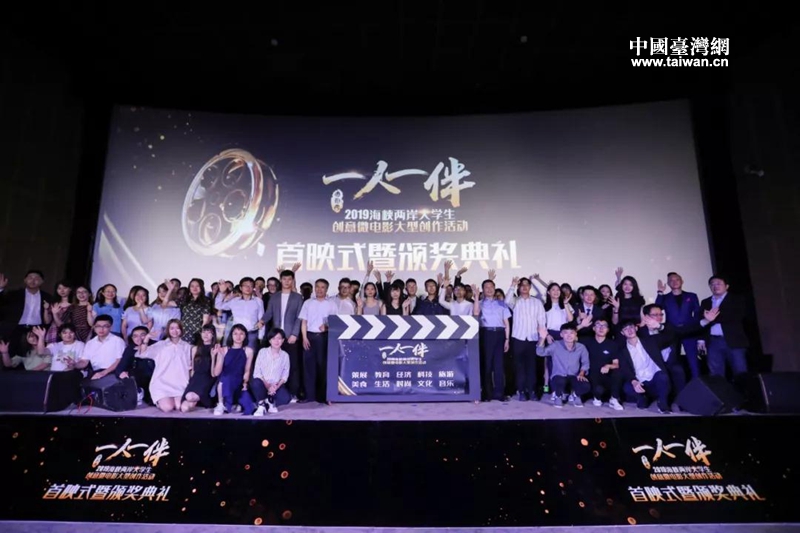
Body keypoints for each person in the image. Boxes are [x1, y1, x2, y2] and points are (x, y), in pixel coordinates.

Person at [260, 270, 304, 401]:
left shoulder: (298, 297)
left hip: (291, 337)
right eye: (284, 279)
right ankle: (276, 392)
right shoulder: (274, 297)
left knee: (293, 366)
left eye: (289, 279)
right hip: (276, 338)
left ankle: (293, 393)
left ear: (293, 280)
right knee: (276, 366)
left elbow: (299, 318)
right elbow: (269, 313)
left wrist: (295, 334)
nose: (287, 282)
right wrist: (261, 321)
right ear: (280, 280)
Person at [698, 275, 749, 380]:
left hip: (733, 341)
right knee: (715, 374)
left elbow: (736, 316)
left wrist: (710, 319)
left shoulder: (736, 299)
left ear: (727, 286)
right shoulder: (705, 302)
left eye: (718, 283)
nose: (715, 286)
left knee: (740, 372)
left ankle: (743, 391)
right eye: (712, 284)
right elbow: (702, 322)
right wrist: (701, 339)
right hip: (713, 341)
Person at [505, 277, 548, 401]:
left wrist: (542, 338)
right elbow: (507, 301)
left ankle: (532, 390)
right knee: (519, 367)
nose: (524, 287)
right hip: (518, 338)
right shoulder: (515, 301)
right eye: (522, 285)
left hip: (533, 338)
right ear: (519, 288)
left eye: (527, 285)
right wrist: (512, 285)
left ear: (530, 287)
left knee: (532, 366)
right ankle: (521, 391)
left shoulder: (537, 302)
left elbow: (542, 320)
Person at [137, 319, 193, 413]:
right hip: (162, 383)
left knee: (179, 406)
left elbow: (190, 366)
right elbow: (143, 353)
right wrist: (147, 338)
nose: (175, 331)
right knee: (168, 408)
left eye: (177, 328)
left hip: (180, 383)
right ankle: (159, 402)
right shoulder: (161, 345)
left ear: (181, 330)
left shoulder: (187, 346)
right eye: (172, 328)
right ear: (168, 330)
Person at [618, 319, 672, 414]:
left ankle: (663, 403)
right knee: (627, 387)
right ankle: (642, 398)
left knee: (662, 376)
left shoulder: (650, 341)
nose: (629, 331)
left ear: (636, 328)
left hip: (655, 377)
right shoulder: (622, 351)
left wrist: (659, 326)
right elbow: (625, 369)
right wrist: (634, 381)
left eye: (631, 327)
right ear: (622, 333)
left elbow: (672, 336)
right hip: (640, 381)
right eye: (626, 329)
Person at [656, 272, 702, 379]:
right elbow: (656, 308)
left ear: (681, 281)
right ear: (668, 283)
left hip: (689, 331)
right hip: (672, 332)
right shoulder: (665, 297)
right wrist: (660, 292)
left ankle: (698, 383)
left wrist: (697, 331)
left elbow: (697, 314)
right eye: (671, 280)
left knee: (693, 361)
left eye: (677, 279)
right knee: (672, 361)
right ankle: (678, 385)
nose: (674, 282)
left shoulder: (691, 296)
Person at [299, 279, 338, 403]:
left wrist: (327, 327)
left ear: (326, 289)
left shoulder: (332, 304)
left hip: (323, 337)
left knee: (323, 367)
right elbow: (304, 321)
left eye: (322, 287)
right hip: (309, 336)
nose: (319, 289)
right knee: (308, 367)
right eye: (317, 287)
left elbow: (335, 322)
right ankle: (309, 395)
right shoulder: (308, 303)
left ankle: (323, 396)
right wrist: (304, 337)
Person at [536, 323, 590, 408]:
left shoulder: (581, 347)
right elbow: (540, 352)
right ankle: (558, 396)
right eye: (566, 333)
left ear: (576, 334)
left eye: (571, 333)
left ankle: (575, 395)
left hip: (574, 375)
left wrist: (582, 373)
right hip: (558, 375)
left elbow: (585, 363)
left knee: (585, 385)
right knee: (560, 381)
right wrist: (542, 338)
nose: (569, 335)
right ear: (561, 334)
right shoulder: (556, 345)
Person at [0, 270, 53, 356]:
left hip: (35, 330)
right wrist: (1, 289)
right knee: (10, 356)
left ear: (42, 281)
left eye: (36, 278)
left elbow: (48, 319)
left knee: (32, 357)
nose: (33, 280)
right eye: (30, 278)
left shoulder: (47, 297)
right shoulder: (14, 294)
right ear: (25, 280)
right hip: (15, 329)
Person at [478, 279, 511, 402]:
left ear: (494, 288)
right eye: (486, 287)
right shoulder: (479, 303)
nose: (489, 289)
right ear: (483, 290)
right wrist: (476, 297)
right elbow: (475, 313)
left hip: (500, 334)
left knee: (499, 365)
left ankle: (499, 393)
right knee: (486, 365)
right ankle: (487, 393)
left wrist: (507, 339)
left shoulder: (502, 304)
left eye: (491, 287)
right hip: (486, 334)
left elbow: (506, 323)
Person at [213, 323, 254, 415]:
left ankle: (235, 402)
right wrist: (221, 356)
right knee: (224, 380)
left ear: (245, 336)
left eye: (241, 334)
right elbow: (216, 373)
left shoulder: (249, 351)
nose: (238, 336)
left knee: (249, 407)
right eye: (235, 334)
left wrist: (245, 383)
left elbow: (247, 370)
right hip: (224, 379)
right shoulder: (224, 349)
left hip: (239, 380)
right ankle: (221, 404)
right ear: (231, 335)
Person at [582, 319, 623, 410]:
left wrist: (608, 366)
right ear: (593, 328)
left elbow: (616, 364)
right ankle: (597, 397)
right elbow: (569, 336)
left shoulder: (612, 344)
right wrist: (581, 325)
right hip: (591, 375)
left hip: (606, 374)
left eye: (604, 325)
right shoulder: (586, 341)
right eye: (598, 325)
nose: (601, 328)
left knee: (618, 372)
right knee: (598, 391)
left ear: (608, 330)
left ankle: (614, 399)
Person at [71, 315, 126, 380]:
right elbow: (84, 361)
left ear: (111, 327)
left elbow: (119, 360)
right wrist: (74, 364)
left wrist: (104, 373)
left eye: (105, 326)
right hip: (97, 373)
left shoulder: (118, 341)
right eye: (98, 326)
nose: (101, 329)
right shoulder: (90, 343)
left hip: (113, 372)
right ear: (94, 328)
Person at [251, 328, 292, 415]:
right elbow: (257, 372)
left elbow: (285, 375)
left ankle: (268, 402)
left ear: (283, 340)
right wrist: (267, 385)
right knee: (255, 383)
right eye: (273, 338)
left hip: (275, 386)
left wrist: (276, 387)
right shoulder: (262, 352)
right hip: (263, 383)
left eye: (279, 338)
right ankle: (262, 404)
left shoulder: (285, 355)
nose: (276, 341)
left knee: (286, 398)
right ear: (270, 340)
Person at [181, 324, 217, 412]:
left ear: (213, 335)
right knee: (184, 408)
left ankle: (204, 399)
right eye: (204, 332)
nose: (206, 334)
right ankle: (198, 401)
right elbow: (193, 369)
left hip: (207, 378)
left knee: (190, 397)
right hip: (195, 378)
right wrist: (190, 381)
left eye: (209, 332)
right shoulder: (195, 348)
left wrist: (213, 357)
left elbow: (214, 373)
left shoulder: (215, 348)